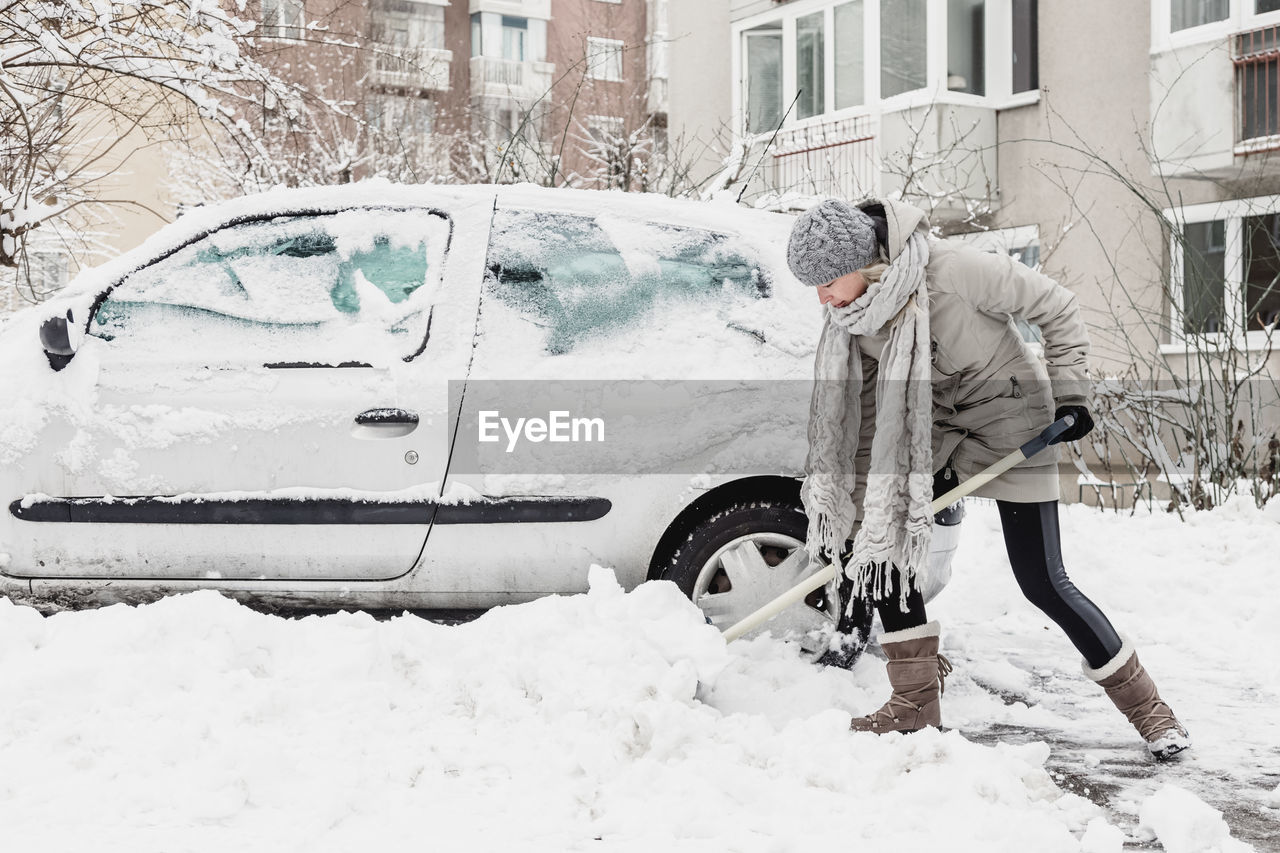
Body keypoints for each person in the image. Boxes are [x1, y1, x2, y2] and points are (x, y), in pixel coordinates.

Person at [786, 197, 1191, 760]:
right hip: (930, 428)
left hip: (1011, 421)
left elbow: (1057, 306)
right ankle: (915, 702)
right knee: (890, 541)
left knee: (1041, 580)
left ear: (865, 261)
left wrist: (1071, 392)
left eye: (827, 281)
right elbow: (870, 412)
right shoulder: (856, 317)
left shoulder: (955, 271)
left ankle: (1150, 710)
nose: (822, 297)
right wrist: (864, 500)